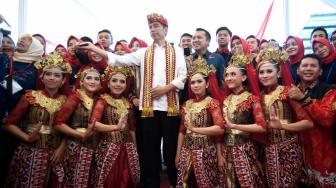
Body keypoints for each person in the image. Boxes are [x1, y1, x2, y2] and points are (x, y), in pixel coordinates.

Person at [78, 13, 187, 188]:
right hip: (148, 109)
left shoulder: (177, 51)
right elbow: (119, 60)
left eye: (156, 26)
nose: (152, 29)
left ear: (165, 29)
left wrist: (165, 89)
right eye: (150, 27)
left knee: (170, 150)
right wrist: (94, 48)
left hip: (170, 108)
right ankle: (151, 184)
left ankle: (175, 183)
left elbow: (183, 75)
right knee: (149, 151)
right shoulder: (143, 53)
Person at [4, 52, 71, 187]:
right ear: (42, 77)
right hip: (31, 152)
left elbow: (68, 128)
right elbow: (8, 124)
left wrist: (61, 149)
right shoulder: (30, 96)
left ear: (63, 80)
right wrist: (27, 138)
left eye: (57, 75)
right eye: (48, 74)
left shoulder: (67, 101)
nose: (52, 78)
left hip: (56, 155)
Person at [256, 44, 313, 187]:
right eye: (261, 72)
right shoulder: (259, 96)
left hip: (288, 148)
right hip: (267, 150)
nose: (265, 75)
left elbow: (308, 123)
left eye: (269, 71)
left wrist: (282, 126)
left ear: (279, 73)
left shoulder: (288, 92)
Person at [217, 42, 266, 188]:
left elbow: (262, 127)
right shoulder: (226, 100)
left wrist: (234, 126)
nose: (229, 78)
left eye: (233, 74)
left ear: (244, 77)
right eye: (227, 75)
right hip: (226, 149)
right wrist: (220, 154)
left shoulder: (252, 99)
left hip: (245, 148)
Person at [288, 54, 336, 188]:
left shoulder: (330, 91)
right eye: (305, 65)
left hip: (324, 151)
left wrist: (303, 99)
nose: (308, 69)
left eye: (313, 66)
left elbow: (327, 120)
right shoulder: (290, 91)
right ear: (298, 70)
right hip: (298, 151)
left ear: (320, 71)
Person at [175, 58, 224, 187]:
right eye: (192, 82)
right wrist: (178, 153)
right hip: (187, 151)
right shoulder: (187, 104)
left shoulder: (212, 103)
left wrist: (195, 129)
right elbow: (182, 131)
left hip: (206, 151)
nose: (195, 85)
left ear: (207, 84)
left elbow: (220, 129)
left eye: (199, 81)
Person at [90, 66, 140, 188]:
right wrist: (115, 127)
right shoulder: (102, 100)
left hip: (128, 149)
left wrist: (135, 150)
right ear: (108, 83)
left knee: (128, 180)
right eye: (114, 80)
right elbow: (94, 124)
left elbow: (132, 128)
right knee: (109, 181)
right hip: (108, 146)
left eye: (122, 81)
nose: (118, 84)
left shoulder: (128, 103)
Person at [54, 66, 101, 187]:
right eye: (89, 78)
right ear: (82, 81)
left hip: (94, 148)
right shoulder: (75, 97)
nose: (92, 81)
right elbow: (58, 124)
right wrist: (81, 134)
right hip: (76, 147)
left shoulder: (99, 100)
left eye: (96, 79)